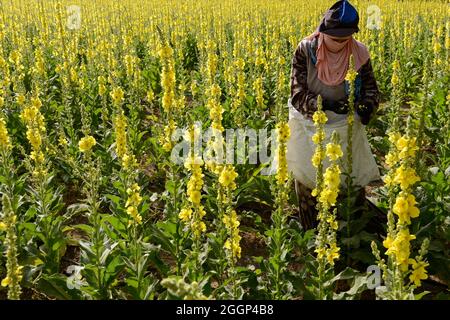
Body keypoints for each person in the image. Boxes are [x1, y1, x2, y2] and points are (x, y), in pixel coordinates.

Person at [287, 0, 381, 230]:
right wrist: (322, 104)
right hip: (311, 122)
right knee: (310, 177)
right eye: (335, 39)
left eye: (345, 39)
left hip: (345, 124)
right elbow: (297, 92)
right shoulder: (306, 49)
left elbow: (371, 89)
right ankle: (313, 232)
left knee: (350, 175)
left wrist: (367, 105)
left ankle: (353, 227)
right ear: (323, 32)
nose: (340, 44)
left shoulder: (359, 53)